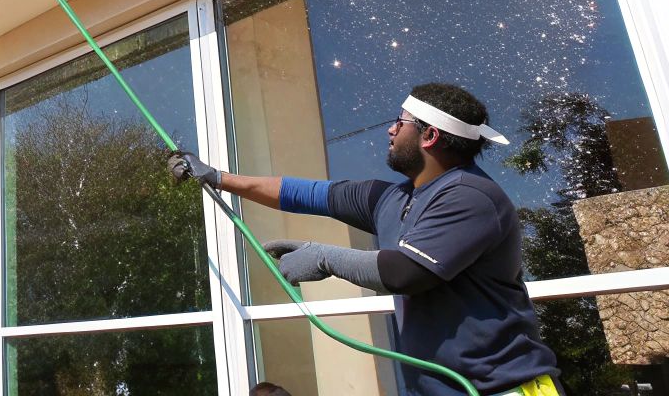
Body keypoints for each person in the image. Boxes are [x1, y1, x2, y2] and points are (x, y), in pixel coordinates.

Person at [169, 83, 561, 396]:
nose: (391, 129)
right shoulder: (394, 198)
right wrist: (217, 177)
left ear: (429, 135)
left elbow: (407, 271)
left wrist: (322, 257)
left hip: (507, 388)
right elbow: (303, 193)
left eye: (400, 122)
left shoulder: (469, 196)